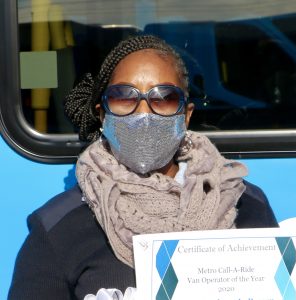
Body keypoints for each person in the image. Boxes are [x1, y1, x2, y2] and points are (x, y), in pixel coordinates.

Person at [8, 35, 277, 300]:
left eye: (164, 97)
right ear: (103, 114)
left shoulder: (245, 204)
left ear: (186, 115)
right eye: (124, 96)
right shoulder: (58, 228)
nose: (144, 113)